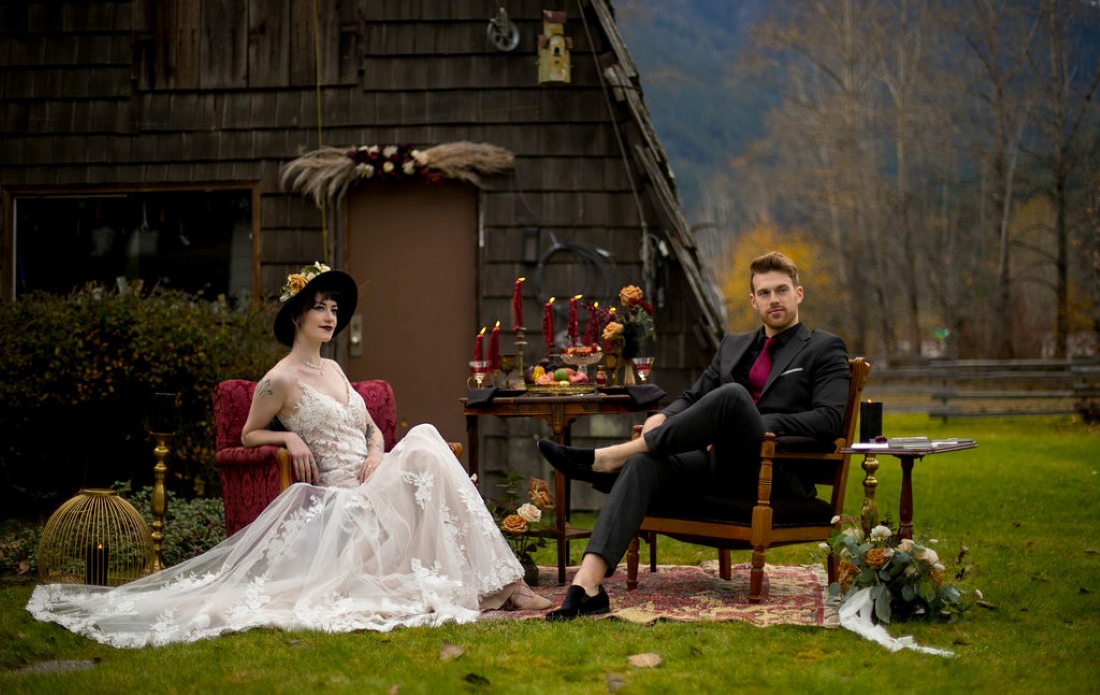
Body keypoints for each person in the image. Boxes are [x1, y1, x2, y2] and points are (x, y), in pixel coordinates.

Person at [27, 262, 550, 648]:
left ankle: (506, 582)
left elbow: (372, 429)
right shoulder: (278, 380)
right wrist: (289, 438)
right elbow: (247, 435)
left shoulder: (338, 370)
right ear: (297, 313)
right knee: (432, 438)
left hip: (376, 476)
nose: (330, 316)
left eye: (335, 308)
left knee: (428, 442)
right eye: (320, 306)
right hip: (345, 500)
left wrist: (375, 452)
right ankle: (507, 584)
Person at [537, 251, 850, 619]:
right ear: (753, 300)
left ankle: (607, 458)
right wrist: (664, 416)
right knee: (643, 465)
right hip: (718, 464)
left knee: (733, 398)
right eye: (764, 293)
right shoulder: (733, 346)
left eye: (781, 290)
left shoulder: (823, 347)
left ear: (799, 293)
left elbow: (829, 420)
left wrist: (757, 421)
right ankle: (586, 588)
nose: (773, 299)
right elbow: (691, 397)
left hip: (772, 472)